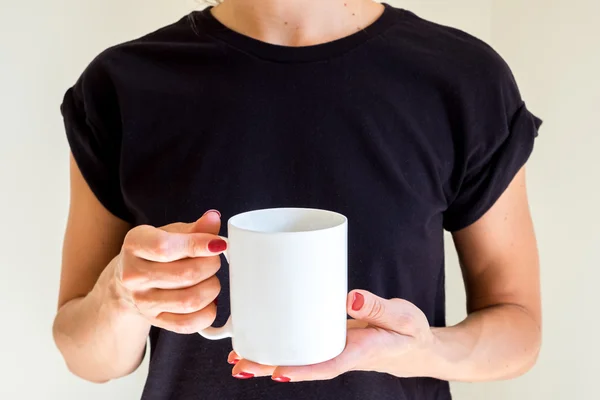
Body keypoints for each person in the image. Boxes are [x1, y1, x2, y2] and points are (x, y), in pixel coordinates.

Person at [52, 1, 543, 399]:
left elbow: (519, 330)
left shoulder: (463, 79)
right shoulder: (122, 84)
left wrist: (422, 349)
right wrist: (121, 296)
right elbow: (86, 357)